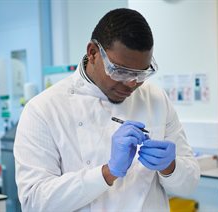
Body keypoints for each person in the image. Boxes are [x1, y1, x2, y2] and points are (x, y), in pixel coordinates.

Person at [14, 8, 200, 211]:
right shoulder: (43, 110)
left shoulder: (155, 99)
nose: (131, 83)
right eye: (120, 71)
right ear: (93, 53)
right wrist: (107, 172)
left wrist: (170, 167)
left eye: (141, 74)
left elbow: (189, 184)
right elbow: (34, 202)